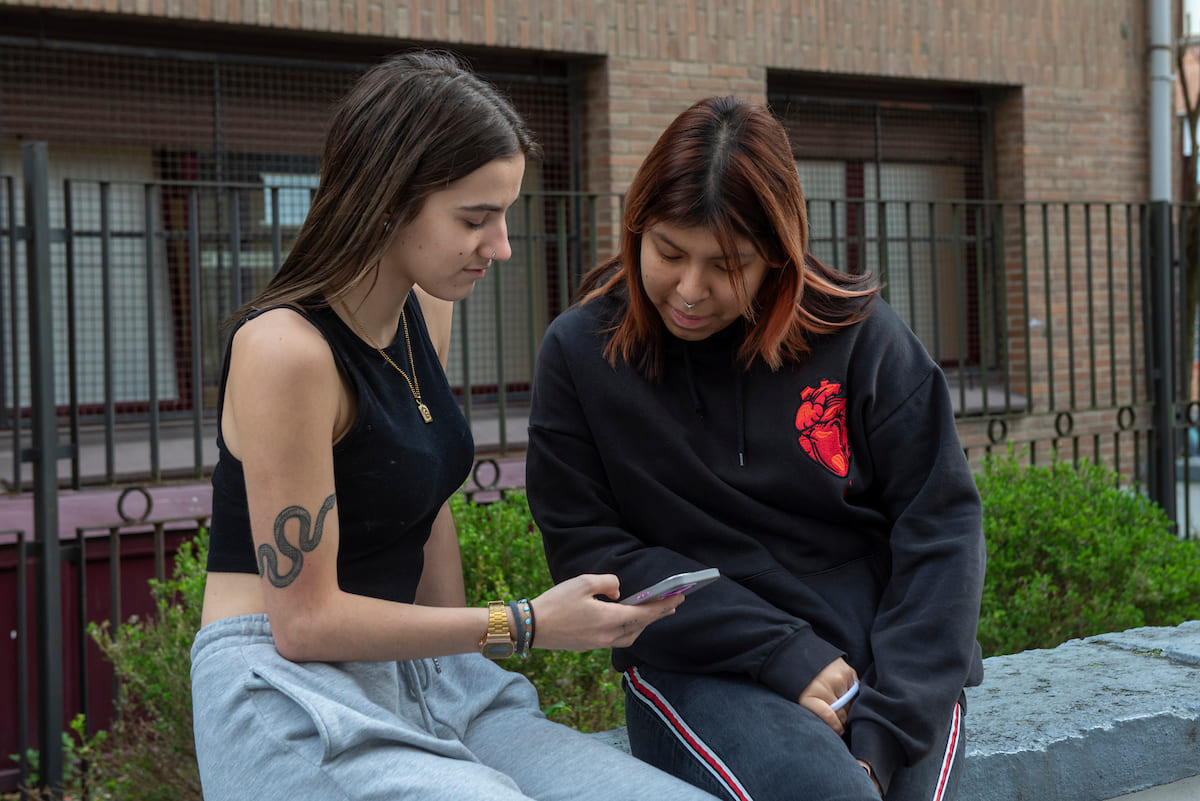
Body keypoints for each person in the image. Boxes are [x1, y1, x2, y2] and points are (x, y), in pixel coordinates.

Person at [190, 50, 721, 801]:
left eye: (503, 215)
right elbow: (302, 625)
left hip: (428, 672)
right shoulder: (284, 351)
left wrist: (472, 647)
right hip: (284, 690)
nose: (501, 246)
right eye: (475, 219)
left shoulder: (420, 307)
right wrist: (525, 623)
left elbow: (424, 499)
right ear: (386, 199)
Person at [525, 95, 986, 801]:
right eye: (669, 252)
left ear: (777, 254)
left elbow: (942, 528)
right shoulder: (581, 353)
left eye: (727, 264)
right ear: (636, 227)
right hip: (700, 663)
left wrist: (885, 733)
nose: (690, 289)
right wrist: (778, 650)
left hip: (889, 666)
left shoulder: (862, 338)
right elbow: (591, 551)